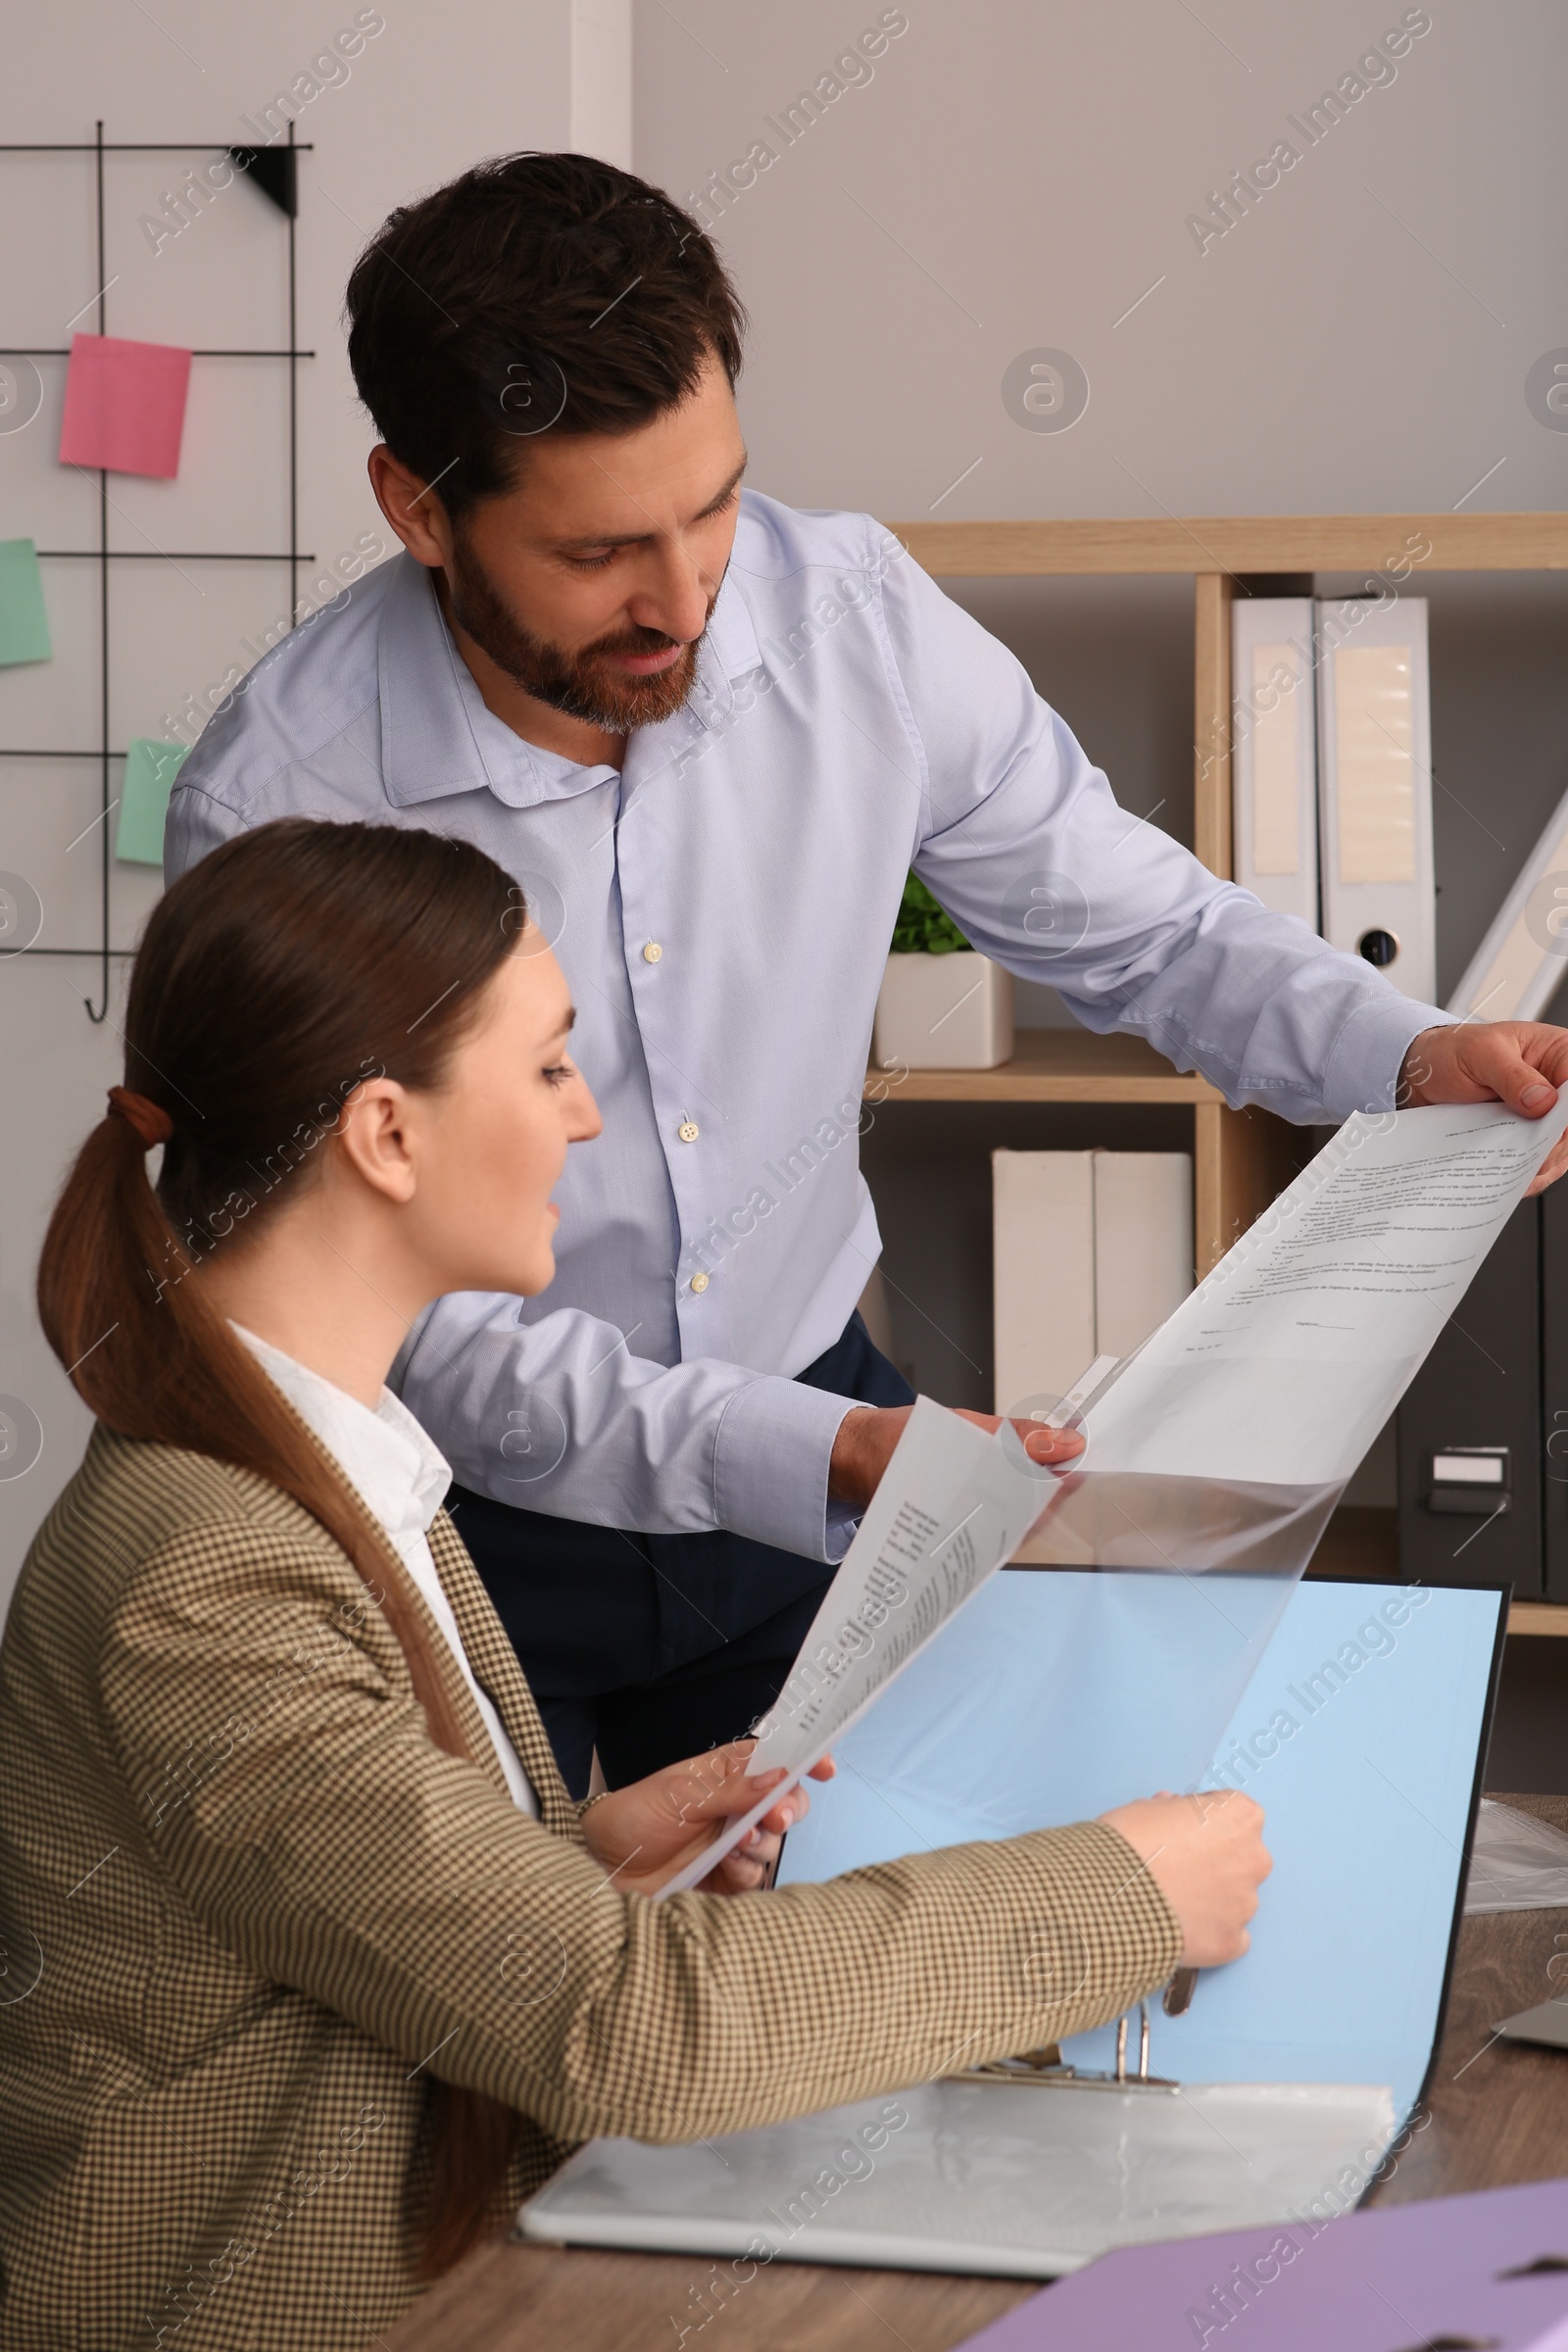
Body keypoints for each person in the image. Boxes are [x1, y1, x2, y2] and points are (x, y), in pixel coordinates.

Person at [165, 153, 1568, 1797]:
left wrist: (1404, 1057)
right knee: (506, 2026)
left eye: (714, 506)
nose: (685, 600)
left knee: (868, 1986)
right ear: (419, 508)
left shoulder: (853, 619)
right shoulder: (282, 802)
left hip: (825, 1447)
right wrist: (816, 1455)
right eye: (604, 550)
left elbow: (1142, 925)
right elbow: (403, 1328)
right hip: (450, 1504)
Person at [0, 818, 1267, 2352]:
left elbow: (327, 1924)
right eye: (546, 1068)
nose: (590, 1119)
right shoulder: (208, 1575)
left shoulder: (335, 1472)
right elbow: (632, 2029)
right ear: (388, 1135)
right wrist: (1126, 1897)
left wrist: (576, 1859)